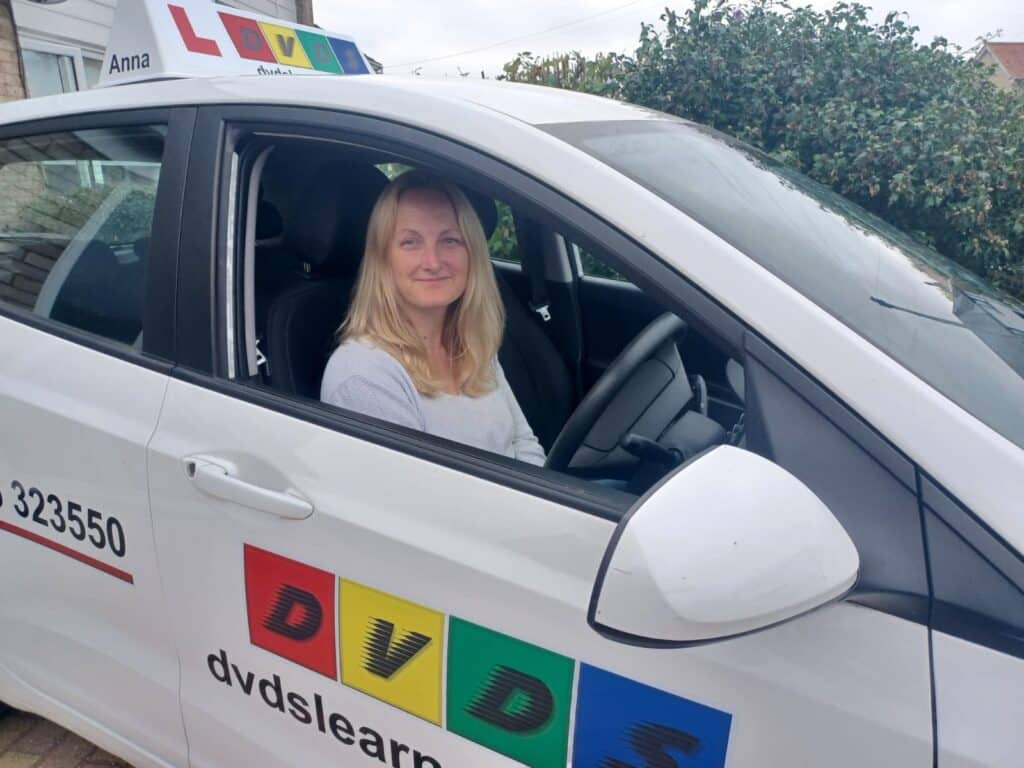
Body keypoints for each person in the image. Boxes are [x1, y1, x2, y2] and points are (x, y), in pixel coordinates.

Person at [320, 171, 546, 466]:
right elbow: (420, 502)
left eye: (450, 240)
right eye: (410, 243)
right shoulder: (364, 376)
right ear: (383, 259)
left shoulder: (472, 341)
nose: (433, 262)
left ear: (472, 253)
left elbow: (523, 442)